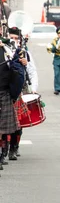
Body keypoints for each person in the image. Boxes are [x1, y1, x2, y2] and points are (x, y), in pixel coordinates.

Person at [7, 26, 38, 160]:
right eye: (11, 37)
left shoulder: (25, 53)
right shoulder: (4, 50)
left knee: (19, 121)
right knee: (6, 121)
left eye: (15, 38)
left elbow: (32, 71)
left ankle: (14, 147)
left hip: (21, 89)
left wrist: (34, 88)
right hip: (6, 89)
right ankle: (5, 148)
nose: (13, 40)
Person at [0, 39, 20, 173]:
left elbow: (16, 69)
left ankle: (3, 153)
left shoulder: (7, 50)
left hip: (4, 92)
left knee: (2, 129)